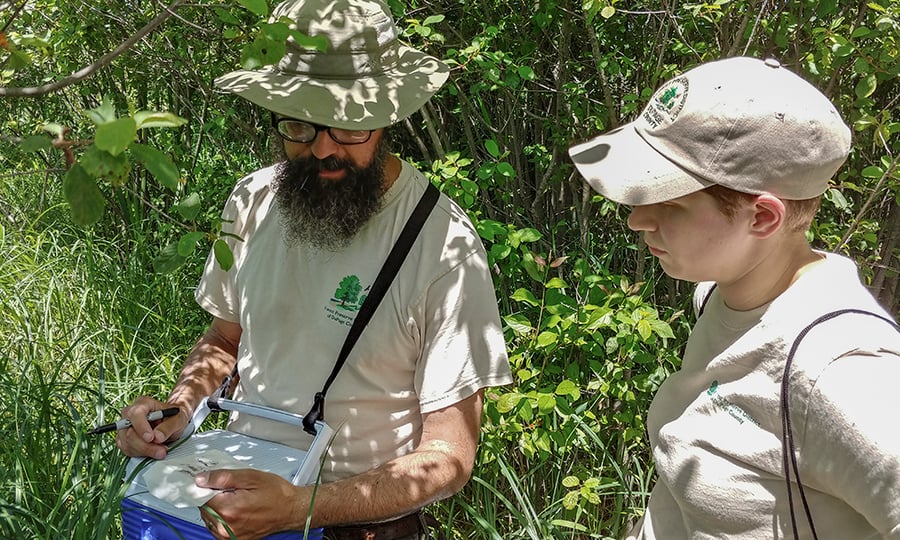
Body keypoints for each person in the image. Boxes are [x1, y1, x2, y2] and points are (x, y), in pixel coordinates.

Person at [115, 0, 512, 538]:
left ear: (386, 116)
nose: (324, 147)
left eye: (349, 126)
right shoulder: (254, 200)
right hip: (227, 500)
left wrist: (303, 506)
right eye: (300, 125)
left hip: (357, 523)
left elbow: (449, 454)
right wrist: (178, 411)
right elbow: (223, 338)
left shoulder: (442, 245)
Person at [568, 56, 900, 539]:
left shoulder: (839, 369)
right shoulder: (722, 298)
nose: (637, 220)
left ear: (763, 218)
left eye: (669, 202)